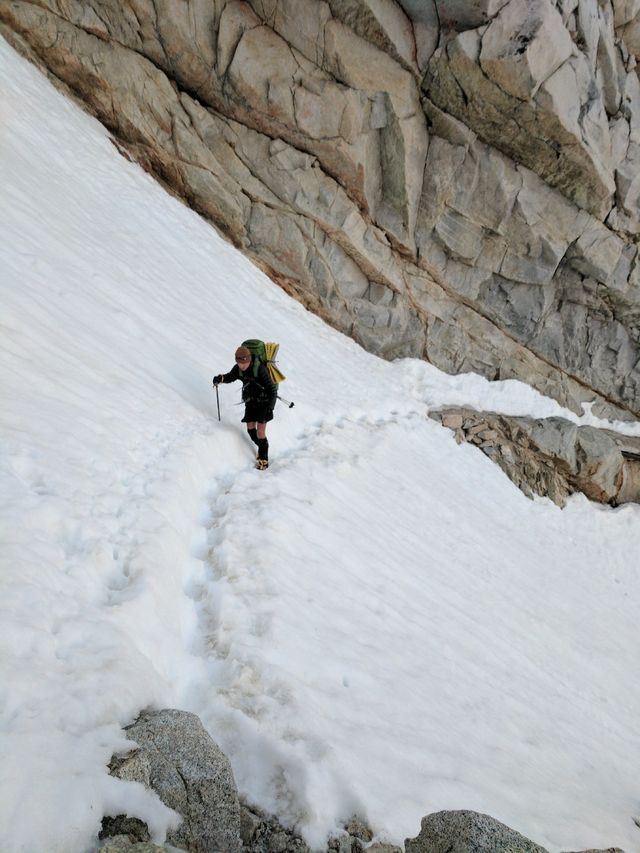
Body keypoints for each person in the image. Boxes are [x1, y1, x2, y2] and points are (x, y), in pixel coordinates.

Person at [213, 345, 277, 470]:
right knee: (250, 429)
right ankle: (262, 447)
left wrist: (270, 407)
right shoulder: (238, 369)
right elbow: (230, 377)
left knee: (260, 431)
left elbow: (272, 390)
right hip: (250, 401)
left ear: (249, 359)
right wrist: (220, 378)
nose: (242, 365)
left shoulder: (260, 369)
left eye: (244, 363)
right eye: (239, 363)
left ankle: (263, 458)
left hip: (264, 403)